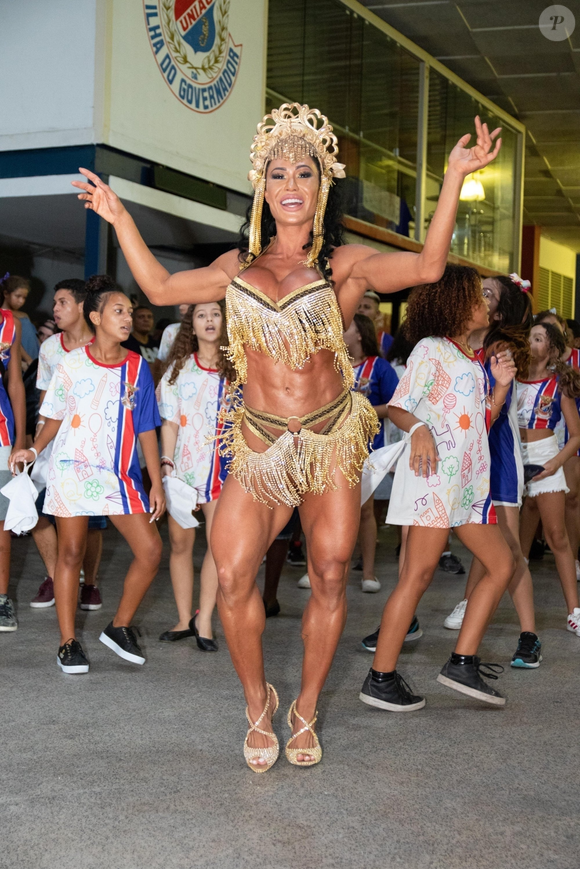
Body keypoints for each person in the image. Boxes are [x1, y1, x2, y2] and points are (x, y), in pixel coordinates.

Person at [73, 103, 501, 769]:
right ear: (262, 186)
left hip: (330, 440)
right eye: (278, 173)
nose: (291, 183)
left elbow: (426, 267)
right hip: (261, 445)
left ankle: (305, 708)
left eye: (304, 171)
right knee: (236, 569)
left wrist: (451, 177)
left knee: (330, 570)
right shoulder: (235, 267)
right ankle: (256, 701)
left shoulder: (345, 265)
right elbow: (157, 284)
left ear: (320, 184)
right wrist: (121, 216)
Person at [359, 265, 517, 712]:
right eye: (478, 296)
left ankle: (462, 663)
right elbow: (397, 407)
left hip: (465, 485)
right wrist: (420, 428)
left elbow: (477, 423)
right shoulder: (430, 349)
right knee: (418, 575)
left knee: (501, 563)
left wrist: (501, 390)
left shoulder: (471, 358)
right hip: (432, 476)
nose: (485, 303)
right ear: (456, 304)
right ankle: (380, 678)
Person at [10, 275, 165, 673]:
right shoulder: (71, 363)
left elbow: (146, 425)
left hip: (118, 475)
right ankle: (68, 642)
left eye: (130, 312)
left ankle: (120, 626)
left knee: (150, 551)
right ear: (95, 317)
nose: (127, 318)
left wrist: (156, 483)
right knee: (71, 553)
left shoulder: (137, 367)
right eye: (118, 311)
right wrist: (34, 448)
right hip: (72, 470)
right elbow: (54, 417)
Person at [443, 273, 541, 667]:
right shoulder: (460, 344)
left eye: (487, 293)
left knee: (510, 549)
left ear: (499, 310)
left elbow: (487, 404)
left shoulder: (501, 348)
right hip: (468, 452)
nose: (477, 296)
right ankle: (468, 614)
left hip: (496, 455)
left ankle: (530, 636)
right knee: (483, 547)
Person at [157, 300, 233, 650]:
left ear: (224, 320)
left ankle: (205, 620)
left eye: (215, 314)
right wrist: (166, 465)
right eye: (201, 315)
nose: (209, 320)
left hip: (223, 470)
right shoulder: (177, 369)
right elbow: (170, 422)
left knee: (218, 548)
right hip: (184, 470)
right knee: (180, 544)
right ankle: (184, 617)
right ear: (191, 324)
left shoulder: (239, 369)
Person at [29, 279, 106, 612]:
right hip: (53, 445)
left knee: (89, 519)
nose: (55, 309)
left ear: (81, 307)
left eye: (62, 302)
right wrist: (37, 442)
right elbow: (45, 399)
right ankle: (57, 575)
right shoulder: (50, 348)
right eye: (55, 303)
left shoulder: (105, 343)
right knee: (35, 512)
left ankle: (89, 583)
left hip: (93, 447)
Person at [516, 322, 580, 637]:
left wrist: (555, 463)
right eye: (528, 336)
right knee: (504, 538)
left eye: (538, 338)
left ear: (552, 349)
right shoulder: (508, 378)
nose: (530, 342)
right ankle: (471, 601)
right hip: (511, 457)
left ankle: (575, 611)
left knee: (557, 536)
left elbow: (576, 436)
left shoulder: (558, 385)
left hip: (545, 457)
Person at [343, 313, 398, 592]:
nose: (340, 330)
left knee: (365, 510)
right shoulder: (331, 364)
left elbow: (396, 406)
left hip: (369, 449)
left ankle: (368, 573)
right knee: (336, 511)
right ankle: (331, 571)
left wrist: (359, 410)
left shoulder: (380, 367)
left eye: (346, 326)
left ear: (360, 334)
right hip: (334, 447)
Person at [535, 310, 580, 580]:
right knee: (529, 505)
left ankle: (573, 557)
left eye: (554, 329)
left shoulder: (574, 361)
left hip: (568, 437)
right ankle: (521, 556)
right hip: (540, 440)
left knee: (572, 497)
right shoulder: (527, 367)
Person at [0, 307, 27, 632]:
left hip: (2, 434)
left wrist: (21, 440)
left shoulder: (10, 324)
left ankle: (2, 600)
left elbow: (16, 384)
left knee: (2, 524)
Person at [0, 275, 39, 368]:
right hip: (22, 362)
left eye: (24, 297)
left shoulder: (24, 315)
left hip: (35, 358)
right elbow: (13, 341)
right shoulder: (2, 316)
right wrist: (28, 359)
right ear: (6, 294)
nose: (21, 301)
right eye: (17, 296)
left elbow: (34, 338)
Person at [357, 290, 393, 356]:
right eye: (358, 307)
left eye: (367, 307)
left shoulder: (385, 340)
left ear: (377, 314)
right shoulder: (345, 336)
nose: (361, 310)